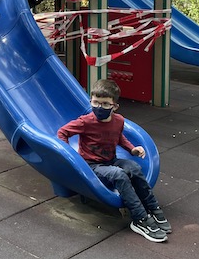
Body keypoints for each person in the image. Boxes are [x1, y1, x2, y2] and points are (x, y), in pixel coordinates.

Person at [57, 79, 172, 243]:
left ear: (114, 106)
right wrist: (69, 156)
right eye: (96, 102)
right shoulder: (85, 121)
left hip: (111, 160)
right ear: (90, 101)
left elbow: (119, 137)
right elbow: (62, 133)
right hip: (92, 165)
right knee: (119, 175)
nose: (99, 107)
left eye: (105, 104)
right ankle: (139, 218)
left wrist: (132, 149)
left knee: (134, 168)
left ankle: (152, 207)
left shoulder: (118, 121)